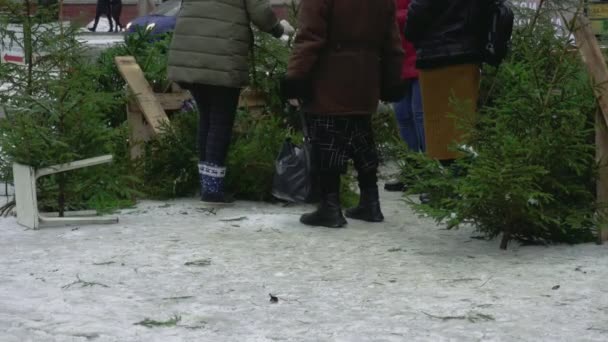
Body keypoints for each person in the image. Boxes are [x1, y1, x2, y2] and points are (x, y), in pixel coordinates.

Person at [283, 0, 404, 228]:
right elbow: (392, 43)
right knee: (362, 138)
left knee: (326, 141)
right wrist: (392, 79)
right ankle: (371, 203)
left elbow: (310, 38)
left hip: (330, 79)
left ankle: (330, 207)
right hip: (365, 78)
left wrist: (296, 77)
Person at [167, 0, 285, 204]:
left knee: (206, 119)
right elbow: (260, 13)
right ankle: (212, 189)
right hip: (222, 56)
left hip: (191, 52)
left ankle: (208, 184)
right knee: (220, 122)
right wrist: (278, 29)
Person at [404, 0, 483, 164]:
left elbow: (416, 16)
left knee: (438, 128)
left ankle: (447, 179)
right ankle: (466, 176)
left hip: (435, 60)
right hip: (468, 56)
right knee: (463, 123)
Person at [384, 0, 425, 192]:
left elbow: (421, 12)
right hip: (398, 60)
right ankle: (412, 168)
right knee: (402, 116)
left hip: (421, 58)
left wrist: (392, 18)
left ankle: (428, 171)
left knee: (420, 116)